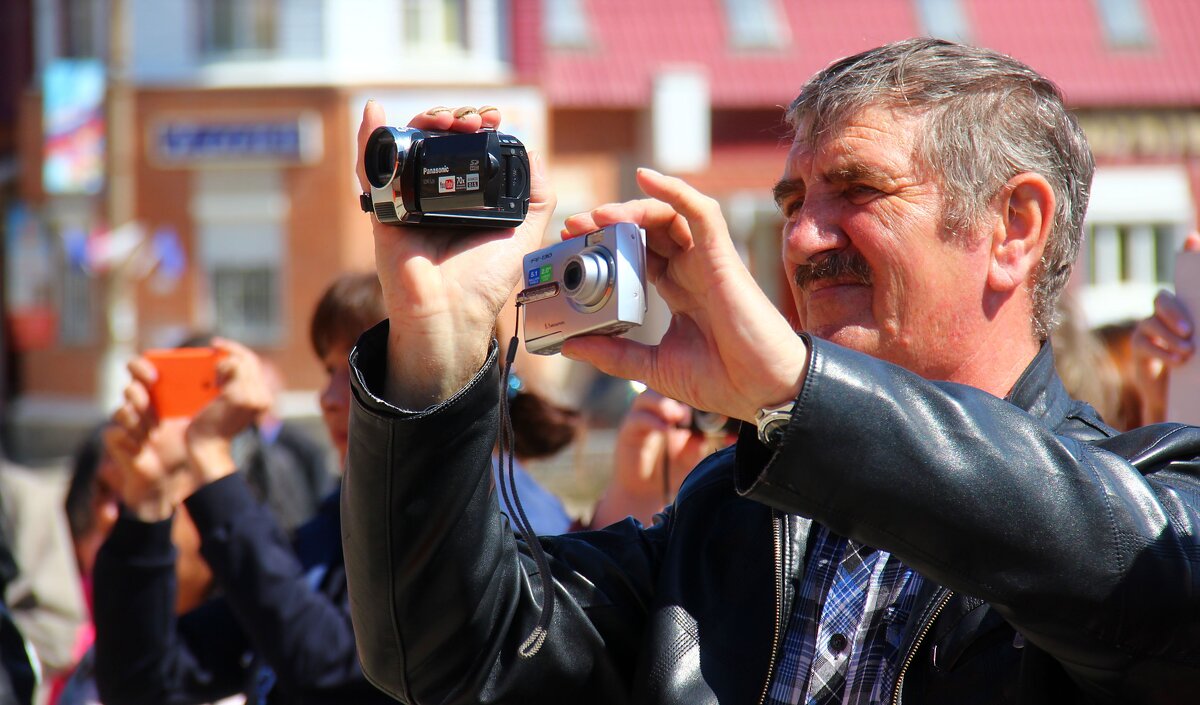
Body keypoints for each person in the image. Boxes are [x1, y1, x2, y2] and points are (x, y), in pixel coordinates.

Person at [340, 39, 1200, 704]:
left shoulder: (1151, 493)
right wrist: (439, 337)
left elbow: (1116, 569)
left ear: (1014, 227)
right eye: (792, 205)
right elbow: (449, 657)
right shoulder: (727, 518)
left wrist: (794, 390)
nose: (801, 239)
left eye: (856, 192)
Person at [92, 278, 395, 703]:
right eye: (329, 370)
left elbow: (334, 676)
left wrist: (212, 461)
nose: (327, 397)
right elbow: (144, 683)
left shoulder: (470, 531)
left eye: (360, 369)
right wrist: (147, 499)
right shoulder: (330, 534)